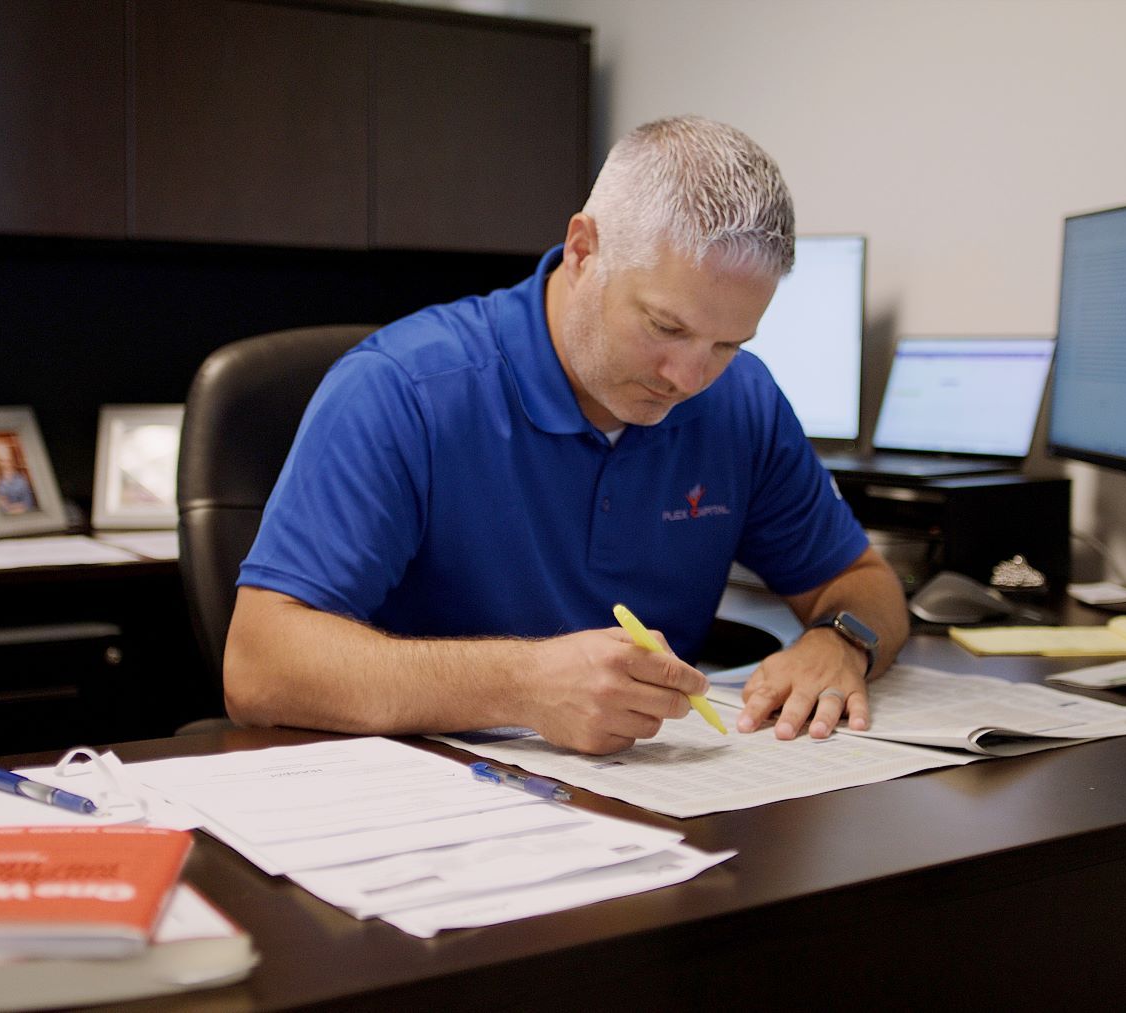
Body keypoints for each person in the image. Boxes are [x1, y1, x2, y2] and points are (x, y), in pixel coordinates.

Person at [224, 116, 908, 755]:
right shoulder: (403, 390)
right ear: (583, 250)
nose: (689, 377)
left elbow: (859, 579)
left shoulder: (741, 398)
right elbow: (260, 664)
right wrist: (523, 685)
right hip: (434, 803)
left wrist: (840, 639)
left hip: (663, 807)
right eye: (665, 328)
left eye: (727, 341)